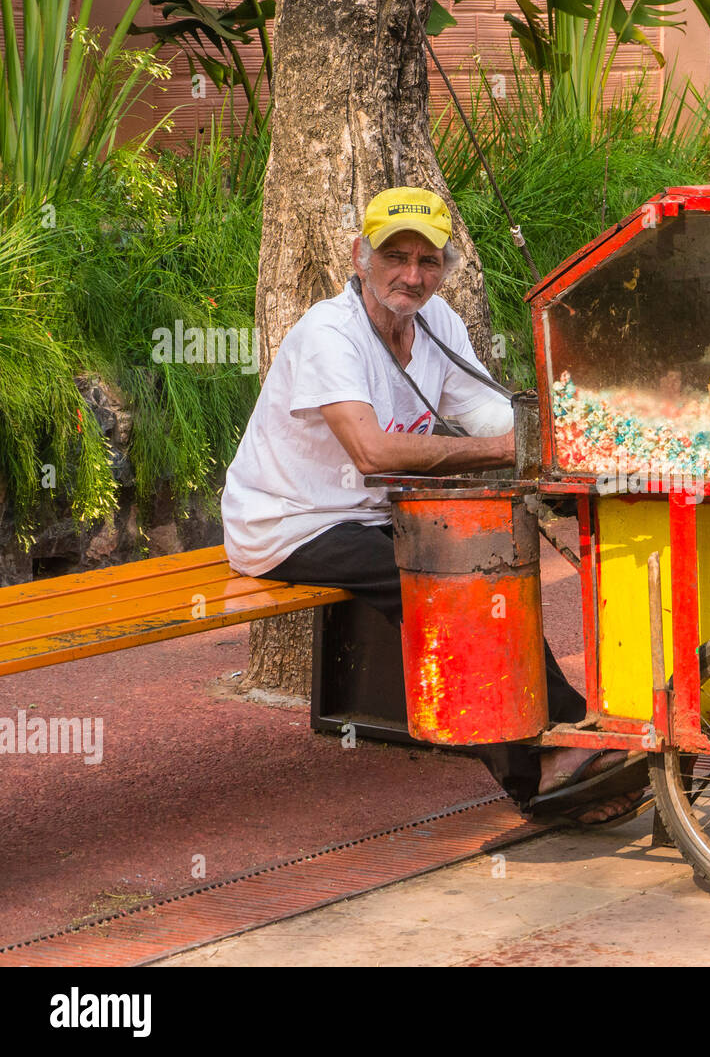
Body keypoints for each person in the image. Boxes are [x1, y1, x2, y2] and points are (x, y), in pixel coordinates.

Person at [220, 186, 648, 825]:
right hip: (289, 522)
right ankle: (542, 770)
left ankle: (566, 735)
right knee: (444, 587)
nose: (412, 275)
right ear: (360, 255)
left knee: (487, 567)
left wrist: (560, 442)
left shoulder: (436, 323)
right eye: (396, 256)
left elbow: (482, 412)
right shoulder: (328, 333)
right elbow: (370, 453)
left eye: (429, 261)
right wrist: (505, 450)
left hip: (370, 515)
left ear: (446, 269)